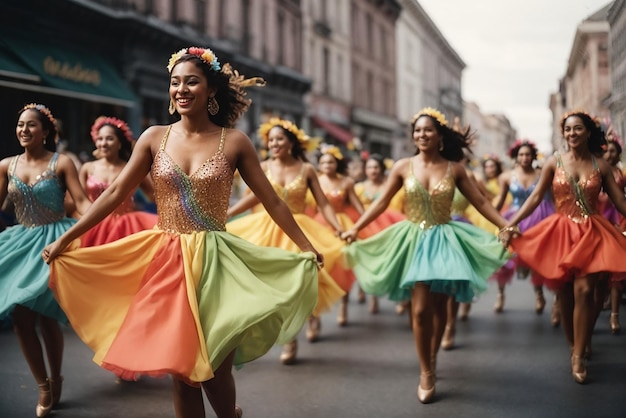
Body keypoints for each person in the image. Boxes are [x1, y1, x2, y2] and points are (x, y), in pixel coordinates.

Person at [42, 46, 321, 418]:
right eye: (175, 83)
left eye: (192, 81)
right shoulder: (154, 137)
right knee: (181, 370)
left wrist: (306, 246)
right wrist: (65, 238)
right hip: (166, 261)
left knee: (215, 366)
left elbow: (273, 202)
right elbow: (113, 193)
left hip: (217, 263)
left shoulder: (235, 141)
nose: (181, 89)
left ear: (210, 90)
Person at [341, 107, 510, 404]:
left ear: (439, 136)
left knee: (442, 305)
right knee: (419, 310)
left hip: (445, 239)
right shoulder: (403, 167)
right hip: (413, 240)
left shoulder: (455, 169)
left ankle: (432, 355)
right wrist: (355, 227)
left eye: (428, 130)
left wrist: (505, 224)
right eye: (417, 130)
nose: (421, 135)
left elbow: (481, 201)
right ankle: (426, 371)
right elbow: (380, 203)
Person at [500, 110, 626, 384]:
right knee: (565, 294)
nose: (572, 133)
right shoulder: (552, 162)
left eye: (578, 128)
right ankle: (574, 345)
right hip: (561, 232)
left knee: (586, 290)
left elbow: (620, 202)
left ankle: (579, 354)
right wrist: (512, 223)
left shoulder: (601, 165)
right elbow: (534, 197)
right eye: (568, 129)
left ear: (588, 132)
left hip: (592, 233)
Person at [226, 118, 346, 365]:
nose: (274, 144)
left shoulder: (307, 170)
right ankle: (289, 338)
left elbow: (323, 203)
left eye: (279, 139)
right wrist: (228, 213)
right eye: (270, 140)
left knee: (303, 280)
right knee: (275, 285)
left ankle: (310, 317)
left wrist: (336, 226)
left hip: (299, 229)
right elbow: (254, 197)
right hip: (265, 230)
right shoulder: (262, 165)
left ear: (291, 142)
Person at [0, 103, 91, 417]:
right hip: (22, 242)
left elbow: (80, 202)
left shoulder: (62, 162)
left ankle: (56, 375)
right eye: (20, 125)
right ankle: (43, 385)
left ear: (47, 132)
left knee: (47, 317)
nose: (24, 130)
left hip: (56, 242)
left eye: (31, 125)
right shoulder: (5, 166)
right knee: (22, 319)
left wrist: (95, 227)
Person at [492, 140, 555, 315]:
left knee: (538, 259)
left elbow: (552, 197)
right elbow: (501, 199)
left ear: (533, 156)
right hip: (514, 219)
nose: (525, 157)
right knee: (504, 258)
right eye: (521, 154)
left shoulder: (543, 173)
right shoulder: (506, 177)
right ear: (516, 157)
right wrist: (490, 216)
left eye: (528, 154)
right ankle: (500, 293)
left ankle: (540, 293)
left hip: (540, 218)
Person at [79, 116, 157, 247]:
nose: (103, 143)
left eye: (109, 139)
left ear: (120, 143)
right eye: (100, 139)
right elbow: (79, 200)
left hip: (126, 227)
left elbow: (153, 194)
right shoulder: (87, 168)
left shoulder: (131, 168)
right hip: (93, 226)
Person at [314, 145, 363, 326]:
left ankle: (343, 304)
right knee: (318, 269)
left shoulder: (346, 182)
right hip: (318, 226)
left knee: (343, 266)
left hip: (341, 226)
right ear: (318, 165)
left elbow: (359, 207)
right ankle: (315, 315)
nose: (327, 164)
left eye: (331, 161)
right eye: (323, 162)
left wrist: (361, 224)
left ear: (337, 163)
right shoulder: (315, 180)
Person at [353, 153, 406, 315]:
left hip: (387, 228)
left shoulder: (390, 186)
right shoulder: (359, 188)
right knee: (368, 262)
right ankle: (372, 297)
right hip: (366, 229)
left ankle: (401, 297)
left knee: (394, 264)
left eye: (376, 167)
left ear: (382, 169)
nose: (373, 170)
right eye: (369, 167)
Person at [598, 131, 625, 334]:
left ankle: (614, 315)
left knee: (618, 271)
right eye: (606, 151)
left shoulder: (620, 174)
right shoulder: (593, 170)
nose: (609, 155)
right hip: (596, 223)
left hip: (617, 222)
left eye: (613, 151)